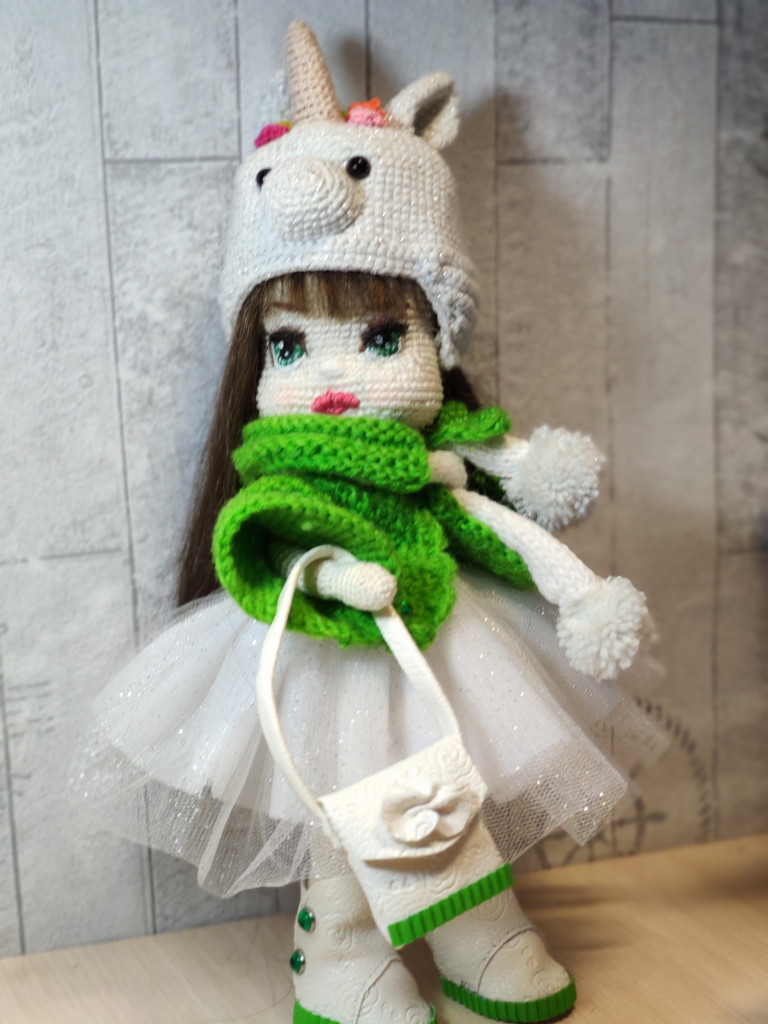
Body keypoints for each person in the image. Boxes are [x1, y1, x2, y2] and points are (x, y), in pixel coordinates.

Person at [76, 22, 664, 1024]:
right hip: (316, 635)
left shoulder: (437, 462)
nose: (337, 378)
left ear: (439, 334)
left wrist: (572, 582)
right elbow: (264, 539)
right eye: (291, 346)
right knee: (337, 778)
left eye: (385, 337)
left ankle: (470, 928)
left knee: (445, 775)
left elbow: (494, 512)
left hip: (439, 623)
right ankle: (341, 941)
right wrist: (330, 574)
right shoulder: (275, 477)